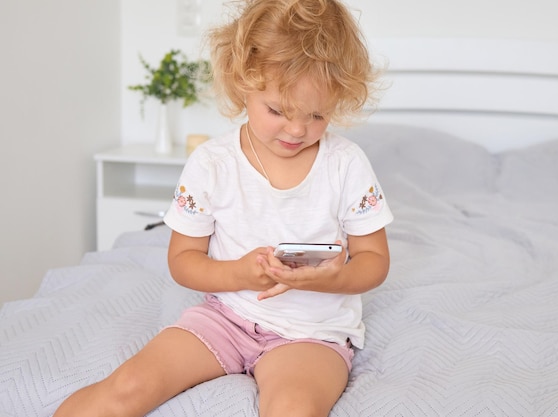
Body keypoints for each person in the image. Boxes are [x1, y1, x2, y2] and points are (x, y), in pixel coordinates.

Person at [54, 0, 392, 416]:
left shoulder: (346, 164)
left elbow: (374, 261)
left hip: (311, 335)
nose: (297, 129)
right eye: (277, 111)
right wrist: (238, 273)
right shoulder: (212, 164)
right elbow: (182, 260)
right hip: (224, 319)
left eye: (317, 115)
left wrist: (329, 279)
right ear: (242, 83)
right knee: (129, 385)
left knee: (293, 408)